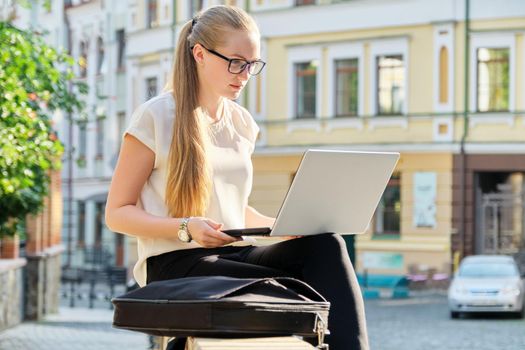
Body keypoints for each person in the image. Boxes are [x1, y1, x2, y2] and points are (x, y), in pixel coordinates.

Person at [105, 5, 368, 350]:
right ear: (199, 53)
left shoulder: (242, 123)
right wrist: (186, 227)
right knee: (286, 286)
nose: (244, 74)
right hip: (175, 262)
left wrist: (283, 225)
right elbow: (117, 213)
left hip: (232, 255)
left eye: (252, 65)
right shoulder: (156, 117)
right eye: (235, 62)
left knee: (325, 244)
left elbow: (235, 208)